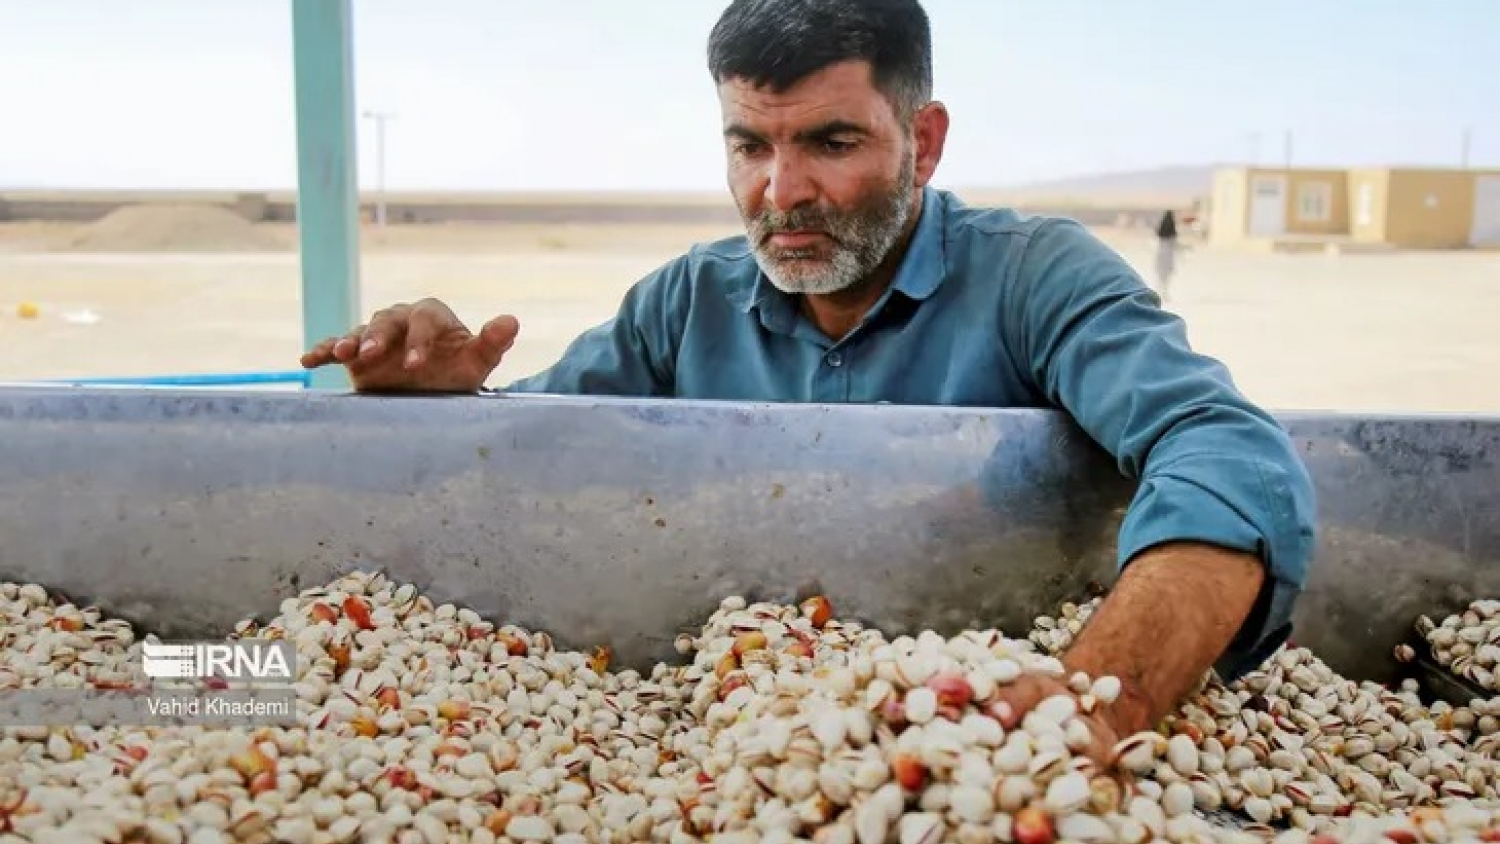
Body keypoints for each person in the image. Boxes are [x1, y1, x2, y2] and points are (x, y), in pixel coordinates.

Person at [301, 0, 1315, 763]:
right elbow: (539, 451)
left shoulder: (1032, 278)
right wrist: (442, 410)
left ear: (923, 141)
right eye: (750, 145)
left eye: (831, 143)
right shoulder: (684, 304)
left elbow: (1226, 450)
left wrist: (1102, 695)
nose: (780, 193)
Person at [1154, 209, 1179, 302]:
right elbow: (1175, 245)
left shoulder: (1161, 231)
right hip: (1169, 256)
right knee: (1166, 278)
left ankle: (1159, 293)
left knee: (1160, 277)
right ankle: (1165, 294)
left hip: (1160, 254)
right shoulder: (1172, 232)